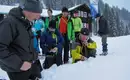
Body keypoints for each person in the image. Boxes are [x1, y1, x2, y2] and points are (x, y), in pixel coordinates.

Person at [0, 0, 43, 80]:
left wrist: (34, 55)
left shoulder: (26, 22)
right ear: (29, 11)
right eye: (37, 14)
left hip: (30, 65)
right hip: (17, 70)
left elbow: (24, 44)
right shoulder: (9, 23)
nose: (38, 17)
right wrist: (19, 64)